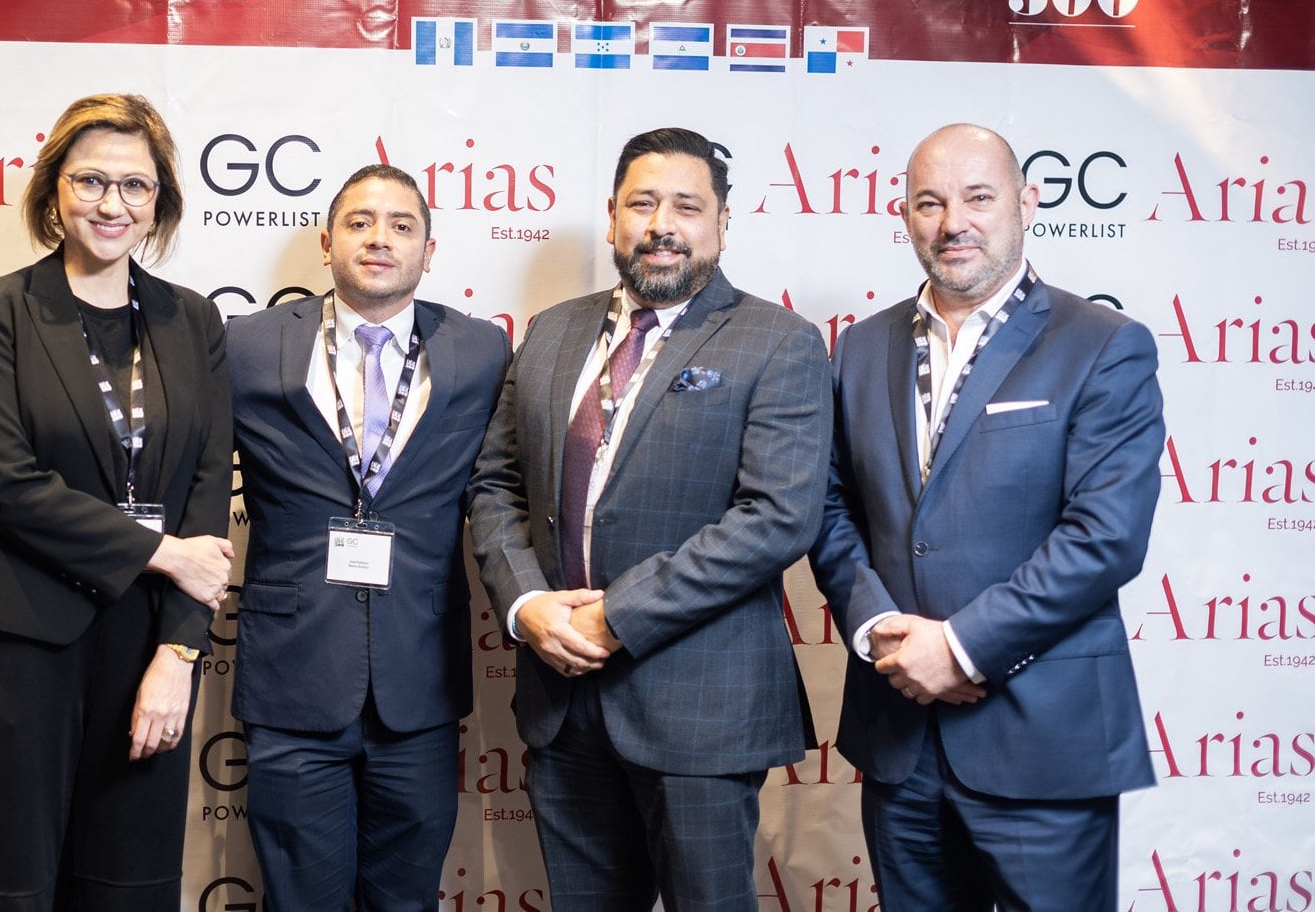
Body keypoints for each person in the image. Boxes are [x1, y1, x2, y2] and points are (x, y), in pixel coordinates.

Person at [468, 127, 832, 911]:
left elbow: (776, 517)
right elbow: (496, 483)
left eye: (687, 206)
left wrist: (615, 616)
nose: (662, 224)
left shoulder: (780, 342)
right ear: (612, 217)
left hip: (700, 706)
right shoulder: (551, 331)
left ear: (722, 223)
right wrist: (529, 605)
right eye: (642, 203)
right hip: (562, 701)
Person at [808, 123, 1164, 911]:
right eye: (929, 203)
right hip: (899, 734)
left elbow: (1105, 536)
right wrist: (880, 629)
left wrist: (961, 647)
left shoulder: (1103, 345)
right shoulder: (859, 349)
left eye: (978, 197)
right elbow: (829, 507)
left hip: (1043, 740)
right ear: (905, 215)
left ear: (1026, 204)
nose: (953, 222)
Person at [0, 93, 234, 910]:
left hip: (146, 639)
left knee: (127, 883)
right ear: (54, 190)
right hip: (18, 635)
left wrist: (178, 654)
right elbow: (8, 484)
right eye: (91, 180)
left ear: (159, 201)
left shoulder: (194, 321)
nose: (112, 203)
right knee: (5, 882)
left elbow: (206, 491)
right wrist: (163, 552)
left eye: (135, 185)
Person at [225, 163, 511, 910]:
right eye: (359, 222)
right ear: (326, 242)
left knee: (405, 901)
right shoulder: (247, 344)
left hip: (419, 682)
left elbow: (510, 482)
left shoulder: (482, 351)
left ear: (429, 250)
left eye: (401, 225)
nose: (380, 238)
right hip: (292, 679)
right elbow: (175, 458)